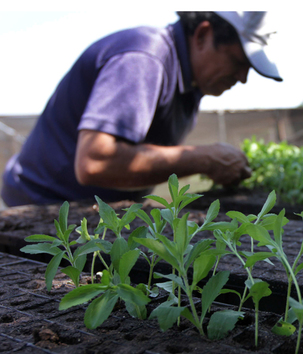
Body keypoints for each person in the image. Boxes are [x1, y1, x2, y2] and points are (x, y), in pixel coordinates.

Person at [1, 11, 282, 207]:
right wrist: (204, 159)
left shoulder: (192, 84)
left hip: (98, 213)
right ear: (203, 35)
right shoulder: (144, 59)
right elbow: (96, 163)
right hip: (40, 209)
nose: (243, 77)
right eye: (238, 62)